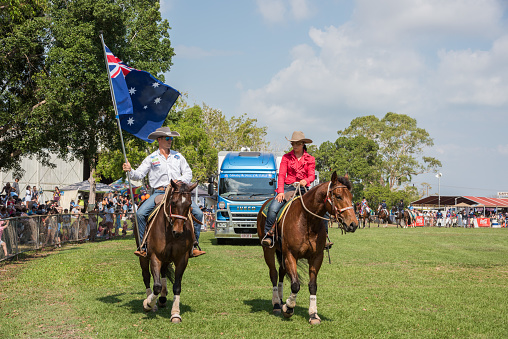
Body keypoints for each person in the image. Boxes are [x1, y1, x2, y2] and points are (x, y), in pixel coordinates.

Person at [122, 126, 205, 258]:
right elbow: (139, 174)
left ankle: (194, 245)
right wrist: (130, 170)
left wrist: (179, 181)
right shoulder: (151, 158)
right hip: (159, 193)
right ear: (159, 139)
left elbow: (188, 172)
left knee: (198, 213)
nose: (170, 140)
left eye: (171, 138)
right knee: (140, 214)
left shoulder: (178, 156)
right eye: (167, 138)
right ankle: (143, 246)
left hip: (177, 192)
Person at [261, 131, 317, 247]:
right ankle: (269, 235)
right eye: (292, 143)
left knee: (321, 206)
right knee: (273, 207)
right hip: (287, 188)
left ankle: (323, 237)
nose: (294, 146)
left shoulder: (310, 159)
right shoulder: (286, 157)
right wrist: (280, 191)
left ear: (302, 144)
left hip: (303, 189)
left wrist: (305, 181)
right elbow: (281, 175)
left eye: (297, 143)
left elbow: (311, 175)